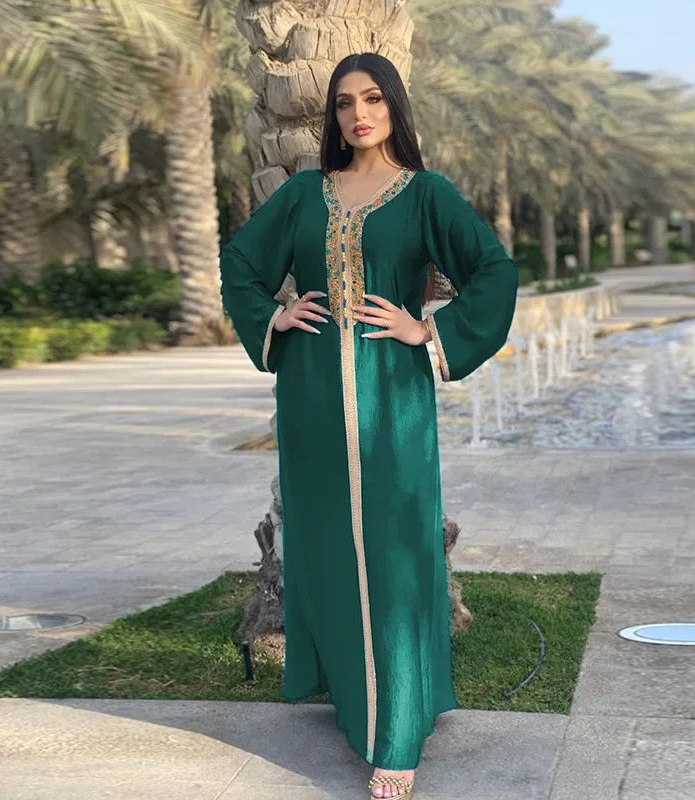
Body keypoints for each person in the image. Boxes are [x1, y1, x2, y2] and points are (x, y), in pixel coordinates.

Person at [220, 52, 519, 800]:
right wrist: (275, 316)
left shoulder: (426, 195)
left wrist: (428, 330)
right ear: (333, 114)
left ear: (395, 108)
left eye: (375, 99)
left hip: (394, 401)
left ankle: (398, 731)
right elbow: (240, 264)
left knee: (394, 557)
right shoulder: (303, 195)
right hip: (312, 398)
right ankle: (357, 697)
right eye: (346, 102)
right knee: (325, 549)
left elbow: (494, 270)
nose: (360, 114)